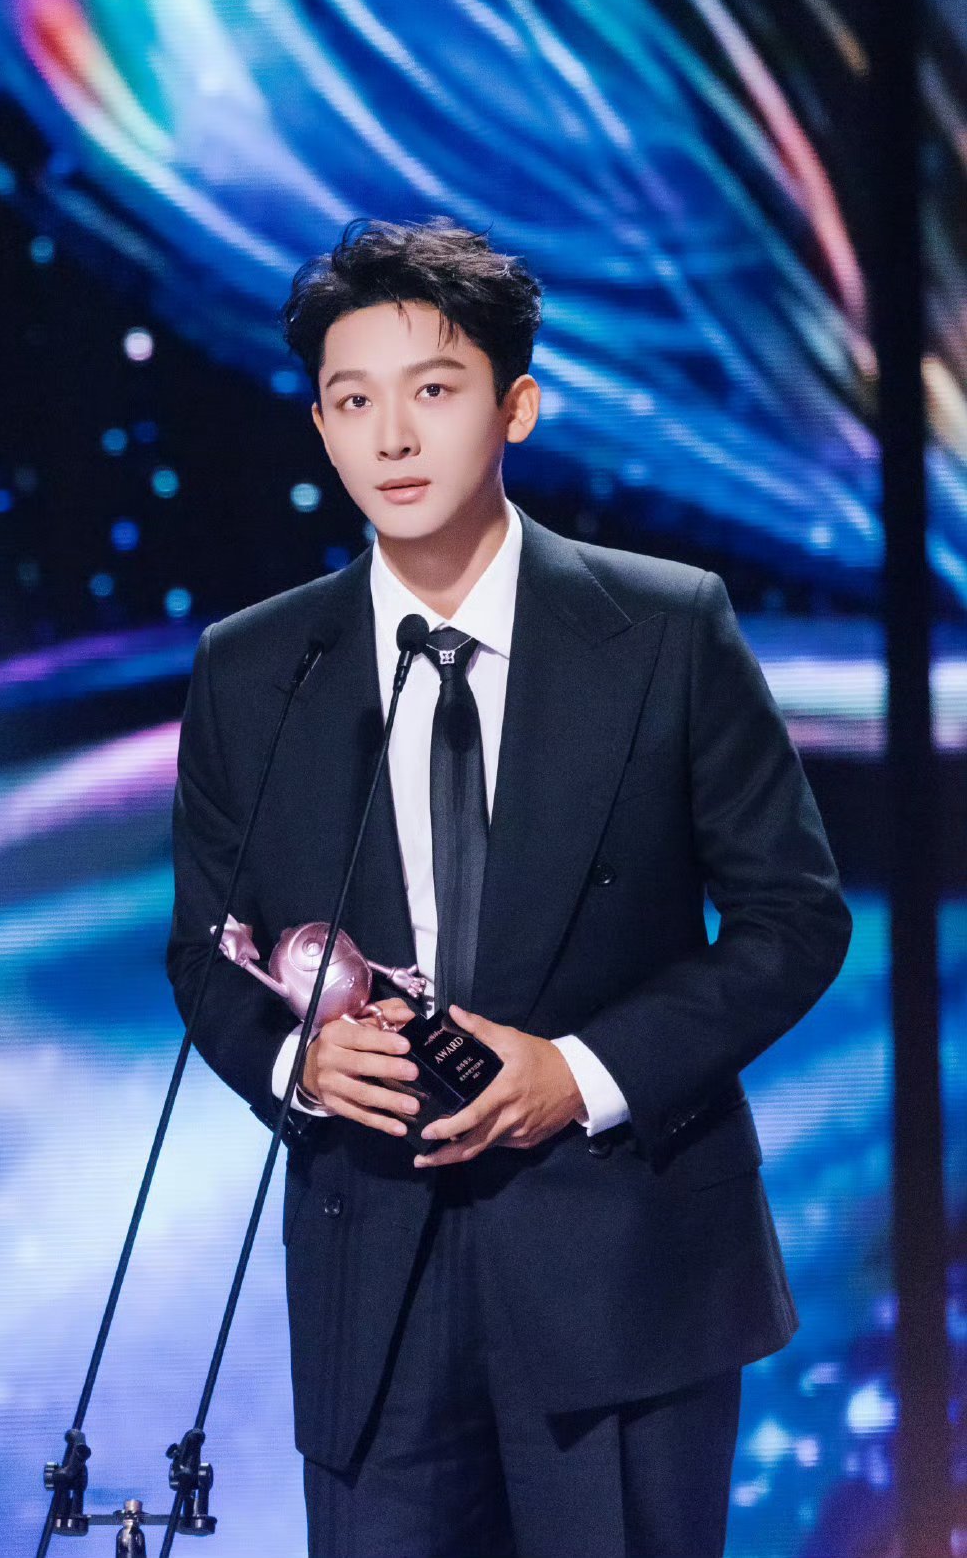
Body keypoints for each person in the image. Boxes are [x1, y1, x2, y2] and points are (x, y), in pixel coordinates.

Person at [165, 217, 852, 1558]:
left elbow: (793, 918)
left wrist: (580, 1074)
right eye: (353, 402)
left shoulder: (667, 629)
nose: (393, 438)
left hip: (624, 1262)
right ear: (321, 430)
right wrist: (302, 1065)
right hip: (372, 1280)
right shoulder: (254, 670)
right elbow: (207, 949)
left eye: (434, 390)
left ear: (516, 407)